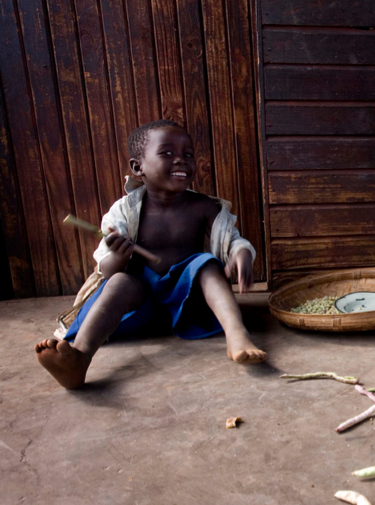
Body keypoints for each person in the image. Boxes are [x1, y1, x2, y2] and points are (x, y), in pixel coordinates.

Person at [35, 120, 266, 390]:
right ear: (138, 168)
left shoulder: (203, 206)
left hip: (188, 306)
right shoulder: (124, 211)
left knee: (206, 265)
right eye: (167, 153)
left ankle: (236, 335)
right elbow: (107, 272)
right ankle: (79, 358)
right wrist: (119, 257)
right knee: (121, 281)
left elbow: (233, 241)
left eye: (188, 154)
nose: (181, 160)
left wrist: (241, 255)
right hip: (138, 310)